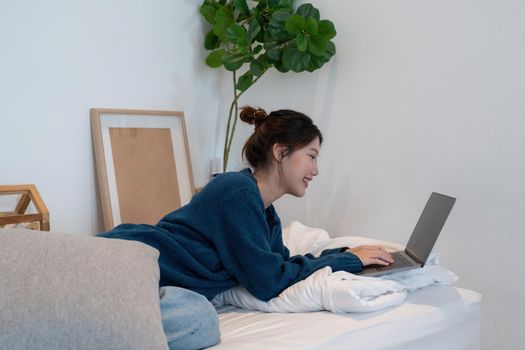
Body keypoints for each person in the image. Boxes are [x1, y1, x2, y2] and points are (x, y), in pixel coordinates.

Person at [98, 106, 394, 349]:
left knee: (196, 321)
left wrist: (346, 254)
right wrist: (347, 260)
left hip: (139, 275)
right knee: (198, 322)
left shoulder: (266, 214)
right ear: (280, 152)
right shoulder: (237, 191)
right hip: (120, 264)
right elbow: (268, 281)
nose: (315, 171)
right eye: (311, 157)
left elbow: (280, 268)